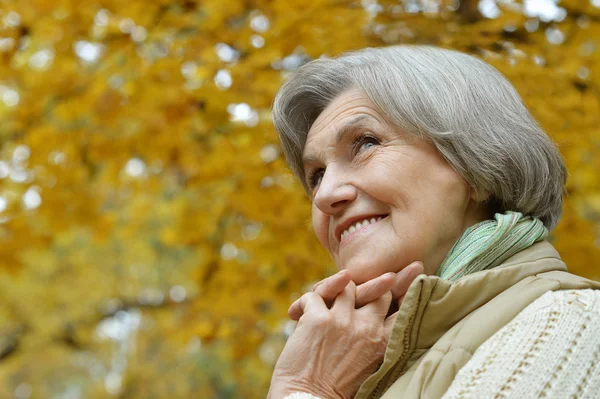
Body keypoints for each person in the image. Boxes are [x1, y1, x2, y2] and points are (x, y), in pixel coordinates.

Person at [266, 46, 600, 399]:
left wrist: (307, 388)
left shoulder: (570, 323)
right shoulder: (358, 367)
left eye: (365, 143)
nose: (323, 195)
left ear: (477, 165)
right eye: (316, 175)